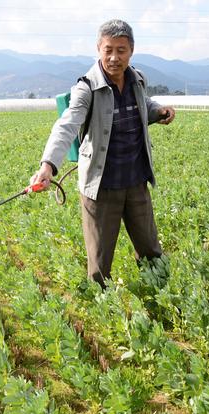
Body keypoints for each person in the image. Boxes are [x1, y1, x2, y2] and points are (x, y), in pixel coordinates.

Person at [30, 19, 175, 287]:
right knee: (99, 265)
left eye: (121, 50)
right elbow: (67, 125)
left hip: (136, 182)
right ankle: (103, 310)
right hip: (101, 188)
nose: (114, 57)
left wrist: (158, 111)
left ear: (131, 50)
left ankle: (163, 298)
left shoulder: (138, 79)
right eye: (108, 49)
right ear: (98, 48)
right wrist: (48, 165)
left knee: (151, 251)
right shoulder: (87, 88)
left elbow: (143, 105)